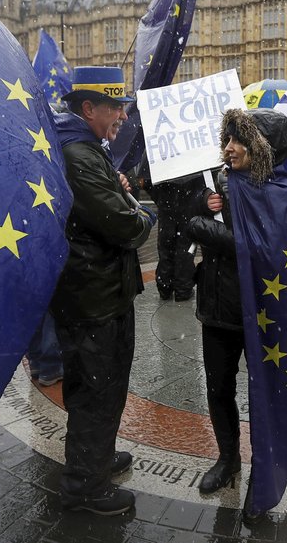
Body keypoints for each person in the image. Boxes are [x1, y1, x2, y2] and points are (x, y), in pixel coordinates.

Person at [184, 107, 287, 522]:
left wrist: (202, 226)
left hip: (261, 312)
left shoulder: (279, 190)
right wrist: (200, 205)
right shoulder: (218, 181)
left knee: (264, 396)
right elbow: (188, 220)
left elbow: (255, 247)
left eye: (238, 141)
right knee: (218, 390)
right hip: (217, 308)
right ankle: (228, 459)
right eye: (227, 140)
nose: (228, 148)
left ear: (260, 148)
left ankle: (262, 476)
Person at [49, 66, 156, 515]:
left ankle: (96, 458)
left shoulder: (91, 151)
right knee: (95, 389)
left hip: (104, 292)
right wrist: (143, 217)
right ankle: (84, 487)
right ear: (88, 107)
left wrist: (119, 189)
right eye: (114, 107)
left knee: (107, 385)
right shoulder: (78, 155)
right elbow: (123, 226)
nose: (122, 115)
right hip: (91, 297)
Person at [148, 173, 202, 301]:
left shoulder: (157, 156)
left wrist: (161, 199)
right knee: (185, 250)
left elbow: (146, 181)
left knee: (166, 248)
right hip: (188, 207)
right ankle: (182, 288)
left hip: (168, 206)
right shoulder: (196, 157)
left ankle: (165, 286)